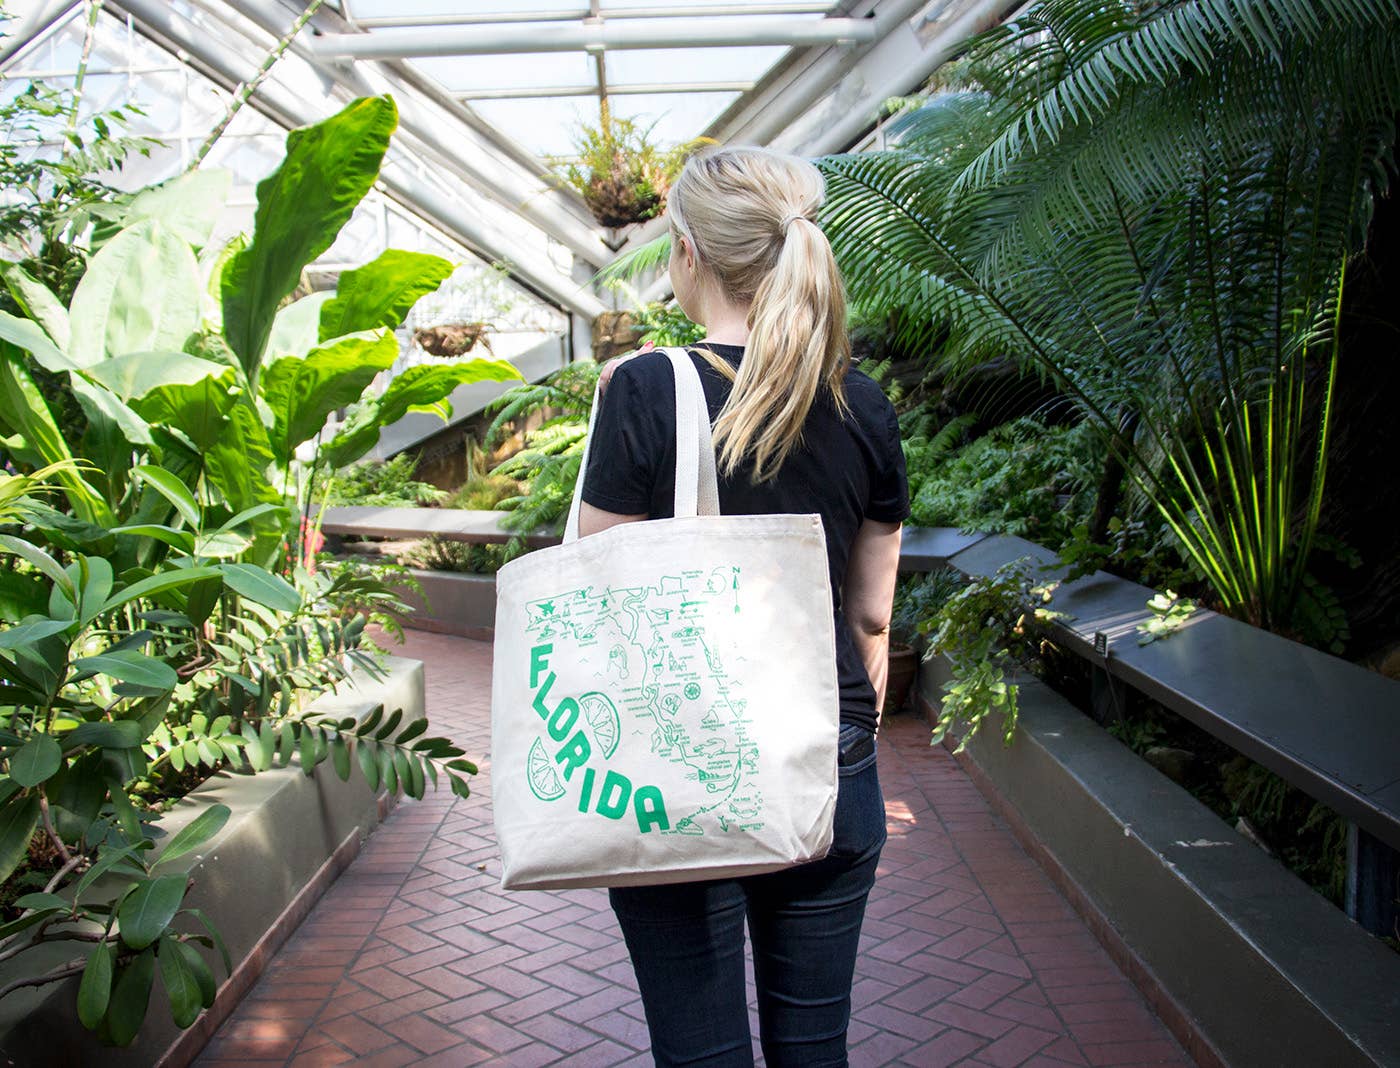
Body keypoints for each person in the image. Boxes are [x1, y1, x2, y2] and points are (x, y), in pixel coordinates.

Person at [578, 145, 909, 1067]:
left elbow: (596, 591)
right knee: (816, 1051)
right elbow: (871, 618)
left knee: (701, 1054)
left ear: (687, 252)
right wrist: (851, 734)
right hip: (828, 757)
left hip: (675, 764)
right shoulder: (864, 404)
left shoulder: (644, 390)